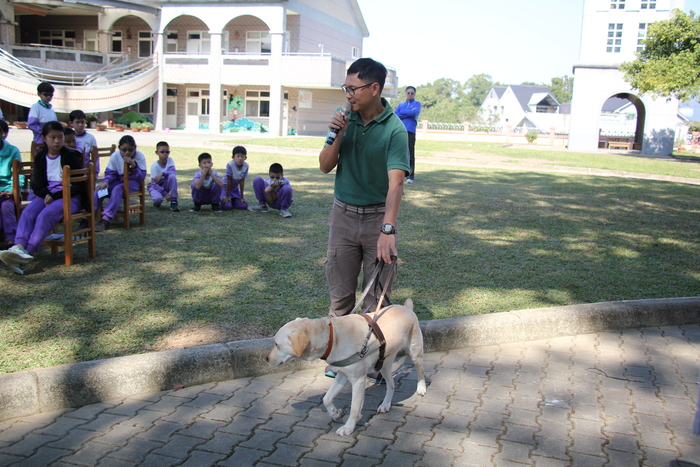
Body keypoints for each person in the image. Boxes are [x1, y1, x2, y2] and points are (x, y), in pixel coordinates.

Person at [319, 57, 409, 317]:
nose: (348, 95)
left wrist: (387, 230)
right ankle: (340, 358)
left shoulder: (395, 130)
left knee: (375, 304)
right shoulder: (345, 117)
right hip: (343, 218)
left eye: (353, 89)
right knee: (340, 301)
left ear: (374, 88)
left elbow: (396, 184)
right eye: (345, 88)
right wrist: (338, 134)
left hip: (377, 220)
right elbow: (325, 166)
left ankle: (372, 357)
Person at [0, 121, 86, 275]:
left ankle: (28, 253)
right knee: (28, 212)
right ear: (44, 138)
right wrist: (47, 194)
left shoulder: (71, 157)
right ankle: (19, 246)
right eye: (52, 137)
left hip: (69, 197)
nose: (57, 141)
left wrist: (55, 195)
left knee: (45, 215)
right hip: (47, 195)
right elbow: (36, 183)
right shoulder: (40, 157)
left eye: (60, 137)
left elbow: (80, 185)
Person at [94, 135, 147, 232]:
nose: (127, 152)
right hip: (118, 180)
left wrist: (134, 166)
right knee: (99, 189)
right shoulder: (115, 155)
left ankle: (106, 219)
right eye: (124, 150)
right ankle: (89, 216)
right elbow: (111, 173)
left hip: (133, 183)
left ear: (135, 148)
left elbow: (141, 178)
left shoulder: (140, 156)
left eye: (130, 150)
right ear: (119, 148)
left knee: (118, 189)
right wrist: (106, 181)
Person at [0, 119, 22, 248]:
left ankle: (11, 239)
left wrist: (11, 191)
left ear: (1, 133)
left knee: (6, 206)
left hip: (9, 190)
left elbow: (19, 175)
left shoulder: (12, 151)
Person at [394, 86, 421, 183]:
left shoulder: (417, 104)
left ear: (414, 94)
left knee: (410, 153)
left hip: (410, 130)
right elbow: (396, 114)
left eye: (412, 93)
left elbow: (414, 113)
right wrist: (408, 113)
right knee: (399, 152)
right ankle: (398, 173)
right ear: (405, 93)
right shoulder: (401, 105)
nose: (410, 94)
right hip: (400, 130)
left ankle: (410, 176)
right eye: (408, 93)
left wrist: (403, 113)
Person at [148, 141, 179, 211]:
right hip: (155, 186)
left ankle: (174, 201)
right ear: (157, 152)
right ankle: (157, 202)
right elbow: (154, 184)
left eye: (167, 152)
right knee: (158, 199)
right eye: (162, 152)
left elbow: (173, 171)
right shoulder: (154, 166)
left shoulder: (170, 160)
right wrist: (165, 194)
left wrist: (162, 173)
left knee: (172, 176)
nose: (165, 154)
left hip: (165, 184)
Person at [69, 110, 100, 176]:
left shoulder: (90, 138)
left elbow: (96, 157)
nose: (80, 125)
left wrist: (95, 173)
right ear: (71, 123)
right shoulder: (68, 138)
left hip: (86, 172)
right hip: (70, 171)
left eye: (82, 122)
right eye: (77, 122)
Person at [221, 145, 249, 211]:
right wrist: (227, 196)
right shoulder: (230, 165)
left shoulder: (246, 166)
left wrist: (242, 197)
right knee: (227, 207)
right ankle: (223, 199)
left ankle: (233, 200)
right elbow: (229, 181)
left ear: (245, 158)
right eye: (238, 156)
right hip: (225, 188)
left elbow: (242, 182)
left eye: (242, 156)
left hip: (234, 189)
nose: (240, 158)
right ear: (233, 157)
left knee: (243, 206)